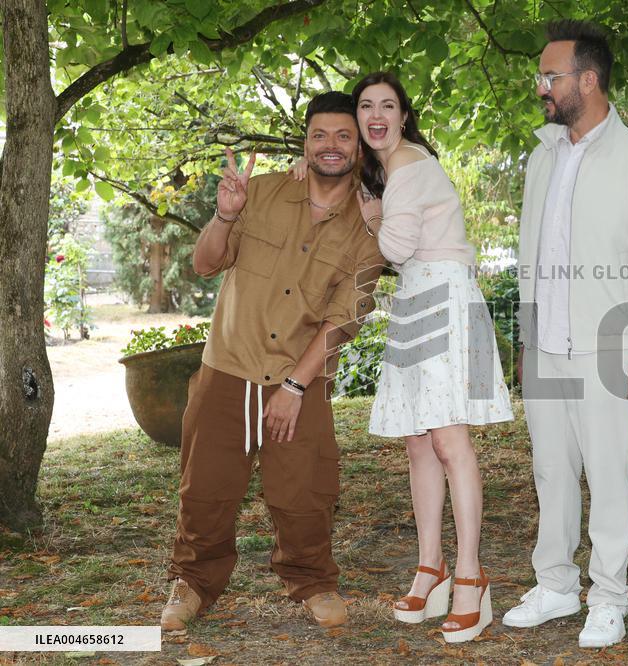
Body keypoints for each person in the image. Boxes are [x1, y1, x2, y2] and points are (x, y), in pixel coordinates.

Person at [160, 91, 384, 632]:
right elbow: (206, 263)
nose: (330, 145)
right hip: (227, 367)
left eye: (343, 136)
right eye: (319, 135)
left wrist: (295, 387)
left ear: (359, 147)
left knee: (305, 491)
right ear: (305, 144)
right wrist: (224, 215)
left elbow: (344, 318)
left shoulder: (370, 227)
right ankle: (192, 582)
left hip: (299, 375)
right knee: (205, 489)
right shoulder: (258, 192)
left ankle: (313, 581)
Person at [501, 20, 628, 649]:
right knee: (550, 473)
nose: (541, 87)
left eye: (551, 76)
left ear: (589, 80)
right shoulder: (542, 156)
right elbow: (530, 254)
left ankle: (608, 597)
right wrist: (527, 339)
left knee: (608, 477)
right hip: (546, 346)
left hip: (608, 348)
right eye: (541, 76)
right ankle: (555, 585)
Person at [351, 71, 514, 644]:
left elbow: (394, 246)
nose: (376, 116)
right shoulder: (389, 168)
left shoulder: (406, 164)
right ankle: (431, 567)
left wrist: (370, 214)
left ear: (403, 116)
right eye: (366, 106)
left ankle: (471, 576)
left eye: (387, 105)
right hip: (419, 296)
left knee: (449, 442)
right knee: (418, 441)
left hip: (444, 297)